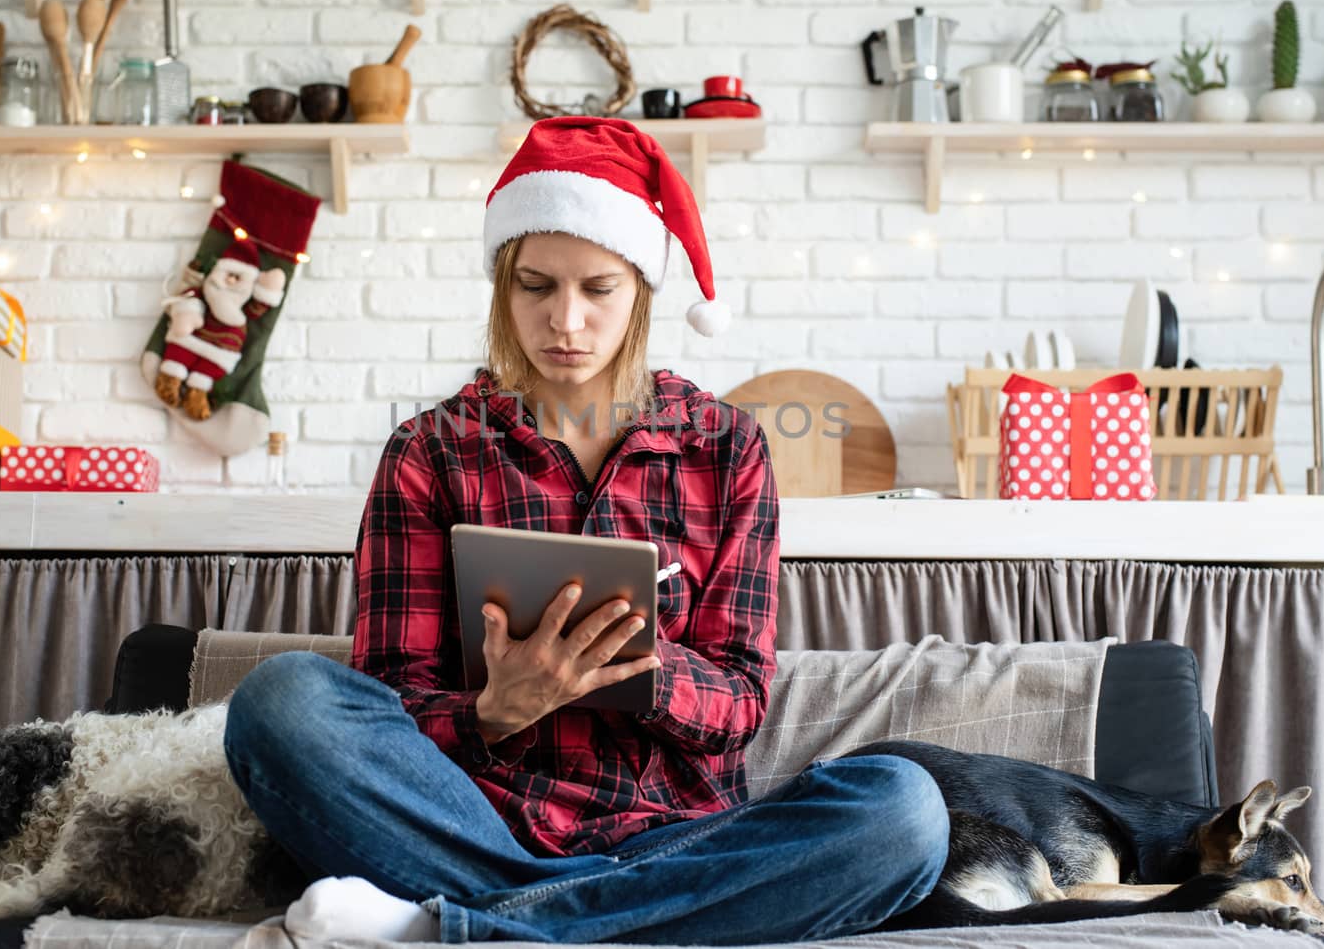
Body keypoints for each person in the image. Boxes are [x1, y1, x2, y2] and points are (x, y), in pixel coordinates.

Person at [223, 117, 949, 945]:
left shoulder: (725, 447)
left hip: (678, 839)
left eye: (597, 289)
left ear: (639, 288)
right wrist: (495, 710)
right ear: (504, 286)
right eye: (536, 285)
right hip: (477, 828)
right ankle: (581, 921)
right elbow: (392, 696)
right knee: (282, 701)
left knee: (903, 812)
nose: (565, 321)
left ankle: (457, 929)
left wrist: (642, 666)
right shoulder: (431, 450)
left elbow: (743, 702)